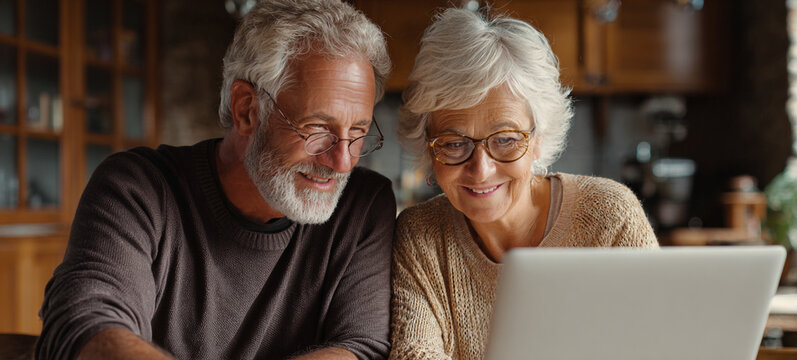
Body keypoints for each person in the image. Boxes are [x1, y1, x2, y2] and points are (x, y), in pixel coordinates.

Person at [36, 1, 394, 359]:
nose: (343, 161)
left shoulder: (362, 206)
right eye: (317, 129)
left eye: (358, 132)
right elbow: (86, 324)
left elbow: (361, 348)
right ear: (247, 110)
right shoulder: (137, 189)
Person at [389, 7, 659, 360]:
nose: (481, 170)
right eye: (455, 144)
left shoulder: (611, 216)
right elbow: (414, 353)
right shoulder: (421, 236)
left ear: (539, 139)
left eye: (505, 139)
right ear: (427, 146)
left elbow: (657, 343)